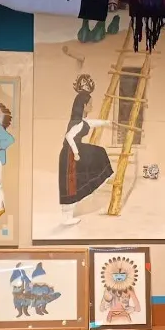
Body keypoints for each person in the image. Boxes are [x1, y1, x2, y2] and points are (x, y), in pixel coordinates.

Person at [58, 74, 113, 225]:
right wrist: (76, 153)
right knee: (70, 183)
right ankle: (67, 218)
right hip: (70, 153)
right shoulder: (77, 122)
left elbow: (91, 123)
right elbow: (69, 136)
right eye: (90, 104)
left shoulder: (80, 121)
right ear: (83, 105)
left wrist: (106, 122)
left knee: (75, 181)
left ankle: (68, 216)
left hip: (71, 152)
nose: (92, 107)